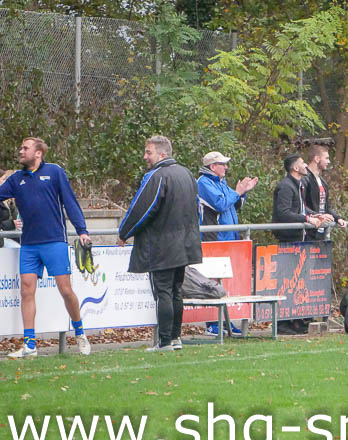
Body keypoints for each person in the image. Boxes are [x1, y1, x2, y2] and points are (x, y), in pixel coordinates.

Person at [0, 137, 91, 358]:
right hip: (29, 244)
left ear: (38, 153)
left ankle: (80, 331)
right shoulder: (16, 179)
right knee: (26, 290)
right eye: (21, 148)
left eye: (25, 148)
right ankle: (30, 345)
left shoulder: (54, 172)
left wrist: (82, 230)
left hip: (54, 241)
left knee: (65, 290)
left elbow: (70, 202)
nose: (21, 151)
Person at [118, 135, 202, 352]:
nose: (145, 157)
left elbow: (142, 208)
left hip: (162, 245)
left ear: (162, 154)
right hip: (184, 244)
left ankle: (164, 341)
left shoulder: (157, 176)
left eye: (149, 152)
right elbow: (197, 210)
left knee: (163, 292)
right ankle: (175, 338)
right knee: (176, 291)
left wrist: (124, 232)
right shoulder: (187, 174)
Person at [197, 150, 257, 336]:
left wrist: (243, 193)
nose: (226, 167)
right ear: (213, 166)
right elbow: (220, 204)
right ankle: (212, 323)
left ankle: (225, 321)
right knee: (211, 282)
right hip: (213, 239)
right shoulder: (203, 183)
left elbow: (234, 204)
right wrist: (237, 192)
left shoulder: (220, 183)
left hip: (228, 239)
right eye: (223, 164)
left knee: (226, 284)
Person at [271, 154, 323, 243]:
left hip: (298, 236)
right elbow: (284, 213)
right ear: (296, 168)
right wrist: (308, 219)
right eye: (302, 163)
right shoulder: (286, 186)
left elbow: (300, 207)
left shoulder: (299, 184)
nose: (306, 165)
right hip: (287, 239)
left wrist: (314, 215)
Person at [303, 144, 346, 241]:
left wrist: (338, 218)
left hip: (321, 231)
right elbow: (300, 205)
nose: (329, 161)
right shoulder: (304, 179)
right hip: (307, 231)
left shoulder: (322, 182)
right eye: (326, 158)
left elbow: (326, 207)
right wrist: (318, 216)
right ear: (317, 159)